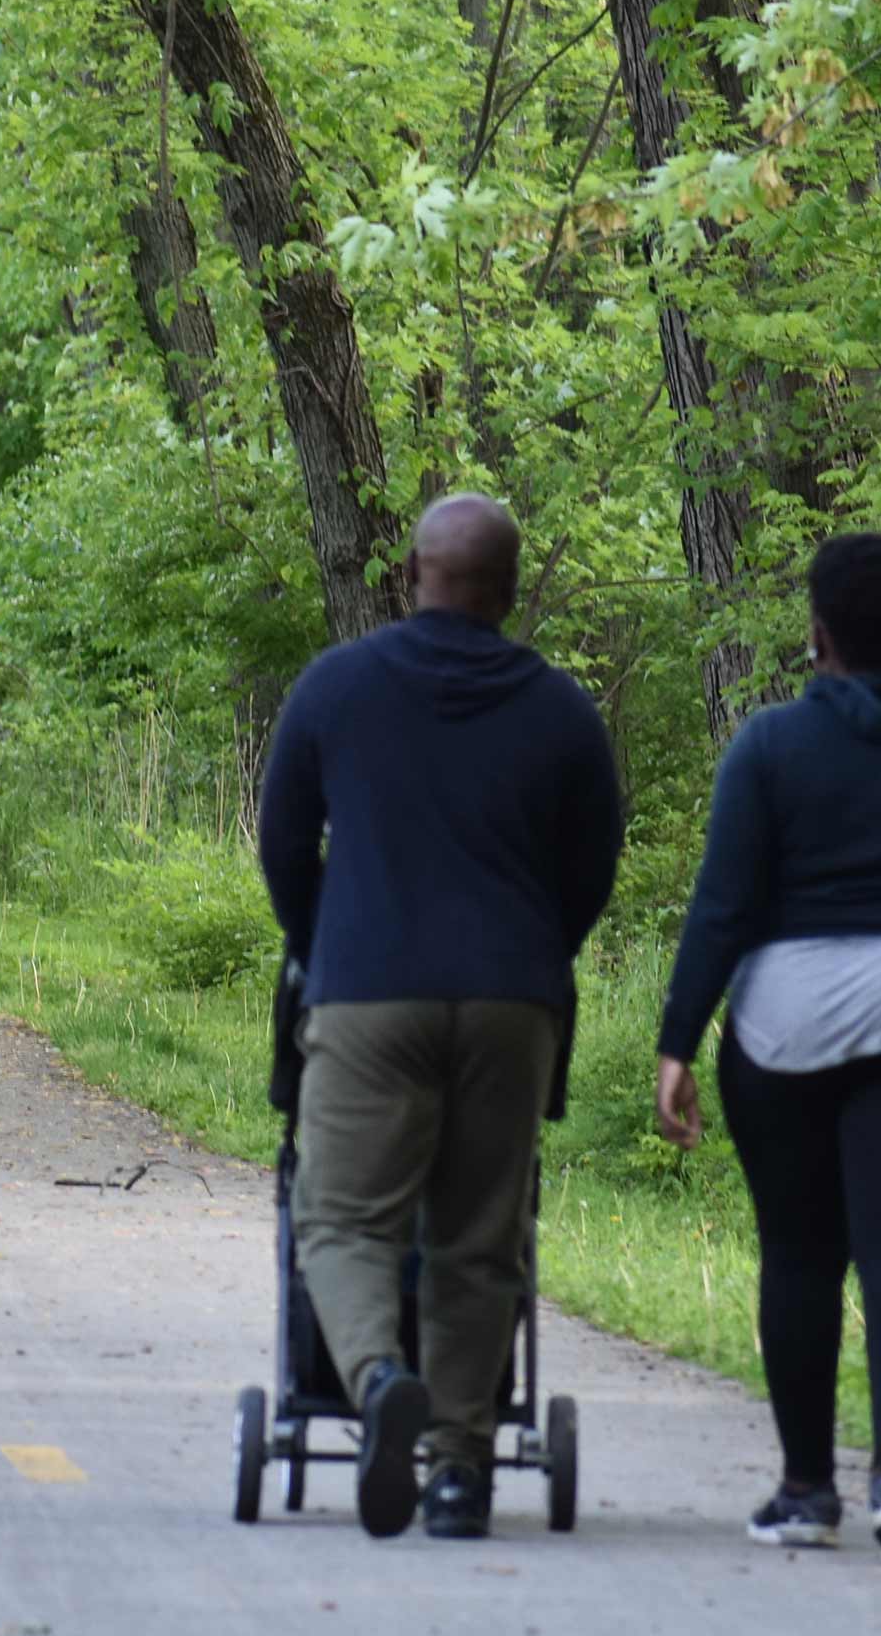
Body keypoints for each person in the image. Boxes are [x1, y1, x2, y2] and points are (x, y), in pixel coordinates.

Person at [257, 493, 627, 1540]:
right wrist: (537, 954)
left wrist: (320, 943)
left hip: (369, 988)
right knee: (479, 1234)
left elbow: (284, 843)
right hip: (512, 998)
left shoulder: (337, 687)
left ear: (413, 572)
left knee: (342, 1215)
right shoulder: (559, 708)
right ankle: (460, 1467)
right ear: (508, 592)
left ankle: (376, 1380)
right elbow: (592, 864)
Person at [653, 531, 881, 1563]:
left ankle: (806, 1492)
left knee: (801, 1253)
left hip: (786, 1015)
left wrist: (678, 1041)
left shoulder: (768, 748)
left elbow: (722, 906)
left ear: (815, 630)